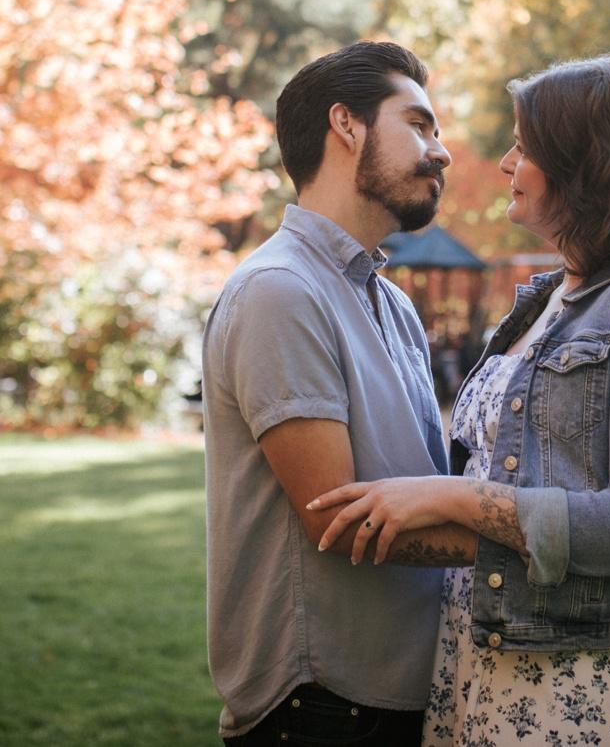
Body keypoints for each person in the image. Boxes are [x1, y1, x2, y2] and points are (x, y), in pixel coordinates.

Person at [311, 56, 610, 747]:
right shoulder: (542, 302)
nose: (504, 162)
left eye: (525, 147)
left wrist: (449, 498)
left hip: (573, 677)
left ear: (585, 164)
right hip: (481, 654)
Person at [201, 41, 480, 744]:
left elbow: (419, 486)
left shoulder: (392, 305)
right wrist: (529, 537)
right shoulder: (281, 291)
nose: (440, 151)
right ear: (346, 126)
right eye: (418, 124)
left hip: (403, 693)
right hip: (322, 708)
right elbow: (342, 520)